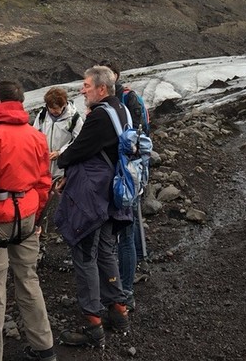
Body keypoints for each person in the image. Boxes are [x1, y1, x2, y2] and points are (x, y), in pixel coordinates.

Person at [0, 81, 56, 361]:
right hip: (28, 218)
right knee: (29, 279)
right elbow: (44, 182)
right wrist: (37, 214)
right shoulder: (37, 136)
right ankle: (45, 348)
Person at [54, 66, 132, 347]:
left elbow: (79, 150)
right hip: (113, 194)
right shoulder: (121, 110)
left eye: (86, 85)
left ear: (101, 89)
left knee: (85, 254)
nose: (82, 90)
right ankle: (118, 312)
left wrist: (61, 161)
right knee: (105, 250)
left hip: (94, 197)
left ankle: (92, 325)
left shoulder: (99, 116)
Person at [103, 60, 148, 310]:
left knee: (126, 232)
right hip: (119, 175)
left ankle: (126, 288)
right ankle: (120, 282)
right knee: (122, 230)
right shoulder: (113, 103)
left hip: (126, 176)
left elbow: (136, 140)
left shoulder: (126, 100)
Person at [32, 87, 83, 182]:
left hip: (62, 170)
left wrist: (60, 152)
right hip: (43, 167)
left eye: (60, 108)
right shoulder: (42, 115)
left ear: (64, 104)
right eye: (53, 109)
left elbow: (78, 140)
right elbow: (34, 135)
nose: (57, 111)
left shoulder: (74, 118)